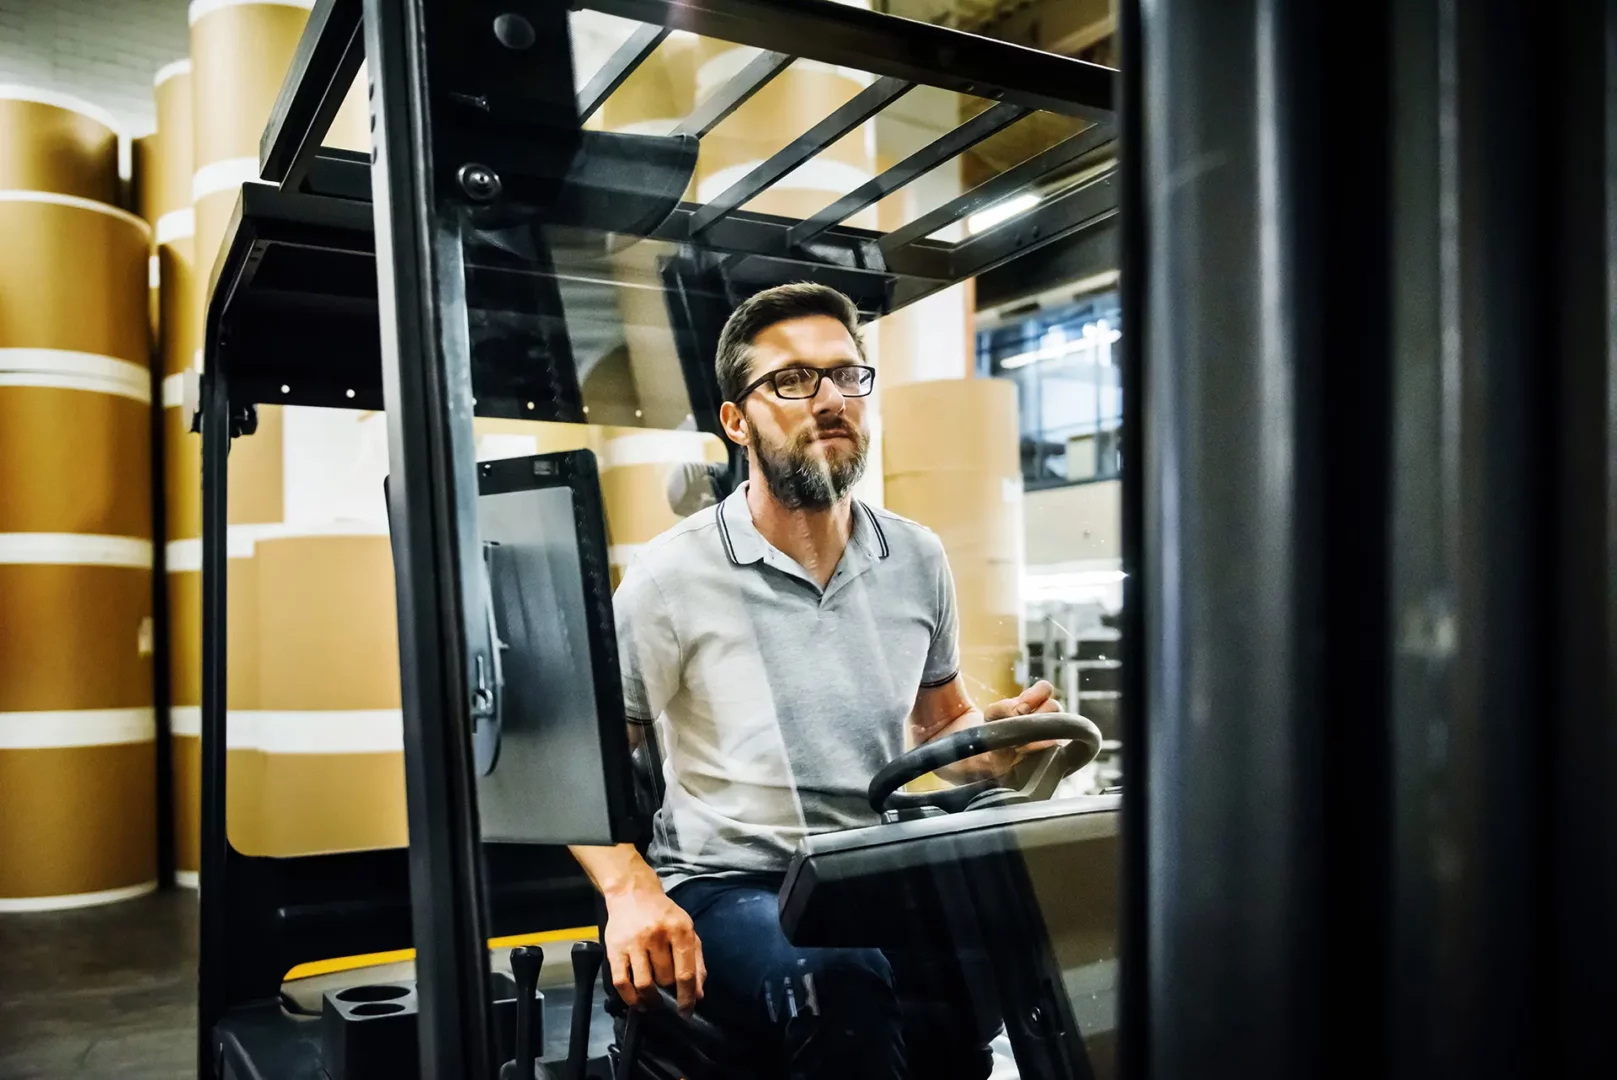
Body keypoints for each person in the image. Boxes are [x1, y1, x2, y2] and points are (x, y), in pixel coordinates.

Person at [569, 282, 1063, 1080]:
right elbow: (576, 761)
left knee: (1021, 946)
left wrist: (987, 743)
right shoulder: (673, 575)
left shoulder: (917, 557)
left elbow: (938, 728)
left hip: (870, 867)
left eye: (845, 376)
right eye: (793, 380)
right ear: (735, 420)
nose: (828, 398)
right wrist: (630, 892)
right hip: (732, 882)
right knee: (838, 978)